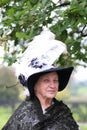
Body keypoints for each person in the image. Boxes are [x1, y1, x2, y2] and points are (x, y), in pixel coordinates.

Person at [2, 66, 79, 130]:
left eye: (55, 80)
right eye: (46, 80)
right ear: (35, 86)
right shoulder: (23, 114)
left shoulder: (63, 111)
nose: (52, 85)